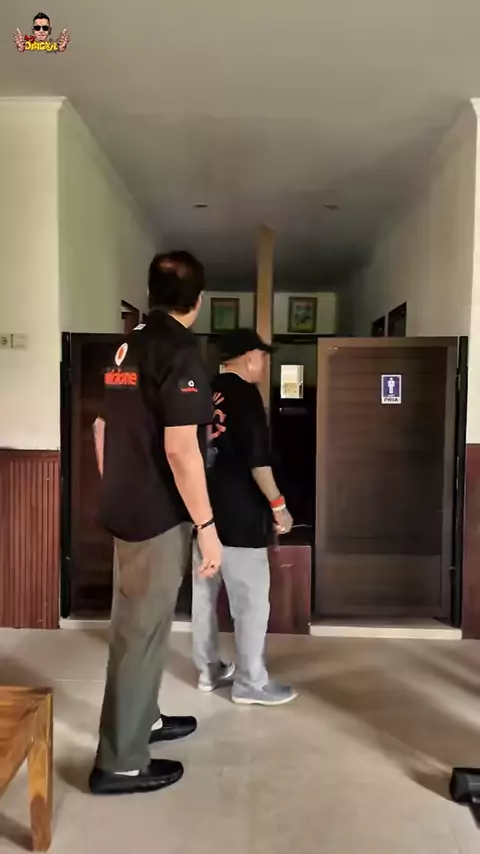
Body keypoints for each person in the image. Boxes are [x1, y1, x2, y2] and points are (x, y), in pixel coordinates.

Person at [89, 255, 222, 796]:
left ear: (151, 292)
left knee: (144, 625)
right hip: (156, 517)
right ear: (197, 300)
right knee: (139, 633)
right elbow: (181, 450)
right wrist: (207, 525)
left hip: (126, 509)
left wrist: (119, 486)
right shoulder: (180, 351)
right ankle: (120, 762)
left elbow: (102, 429)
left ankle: (144, 719)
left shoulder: (128, 346)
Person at [192, 328, 299, 706]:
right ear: (249, 356)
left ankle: (208, 670)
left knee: (204, 597)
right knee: (251, 603)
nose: (265, 363)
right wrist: (278, 505)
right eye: (264, 356)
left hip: (203, 512)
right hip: (241, 515)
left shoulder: (204, 391)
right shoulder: (246, 395)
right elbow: (257, 460)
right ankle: (251, 682)